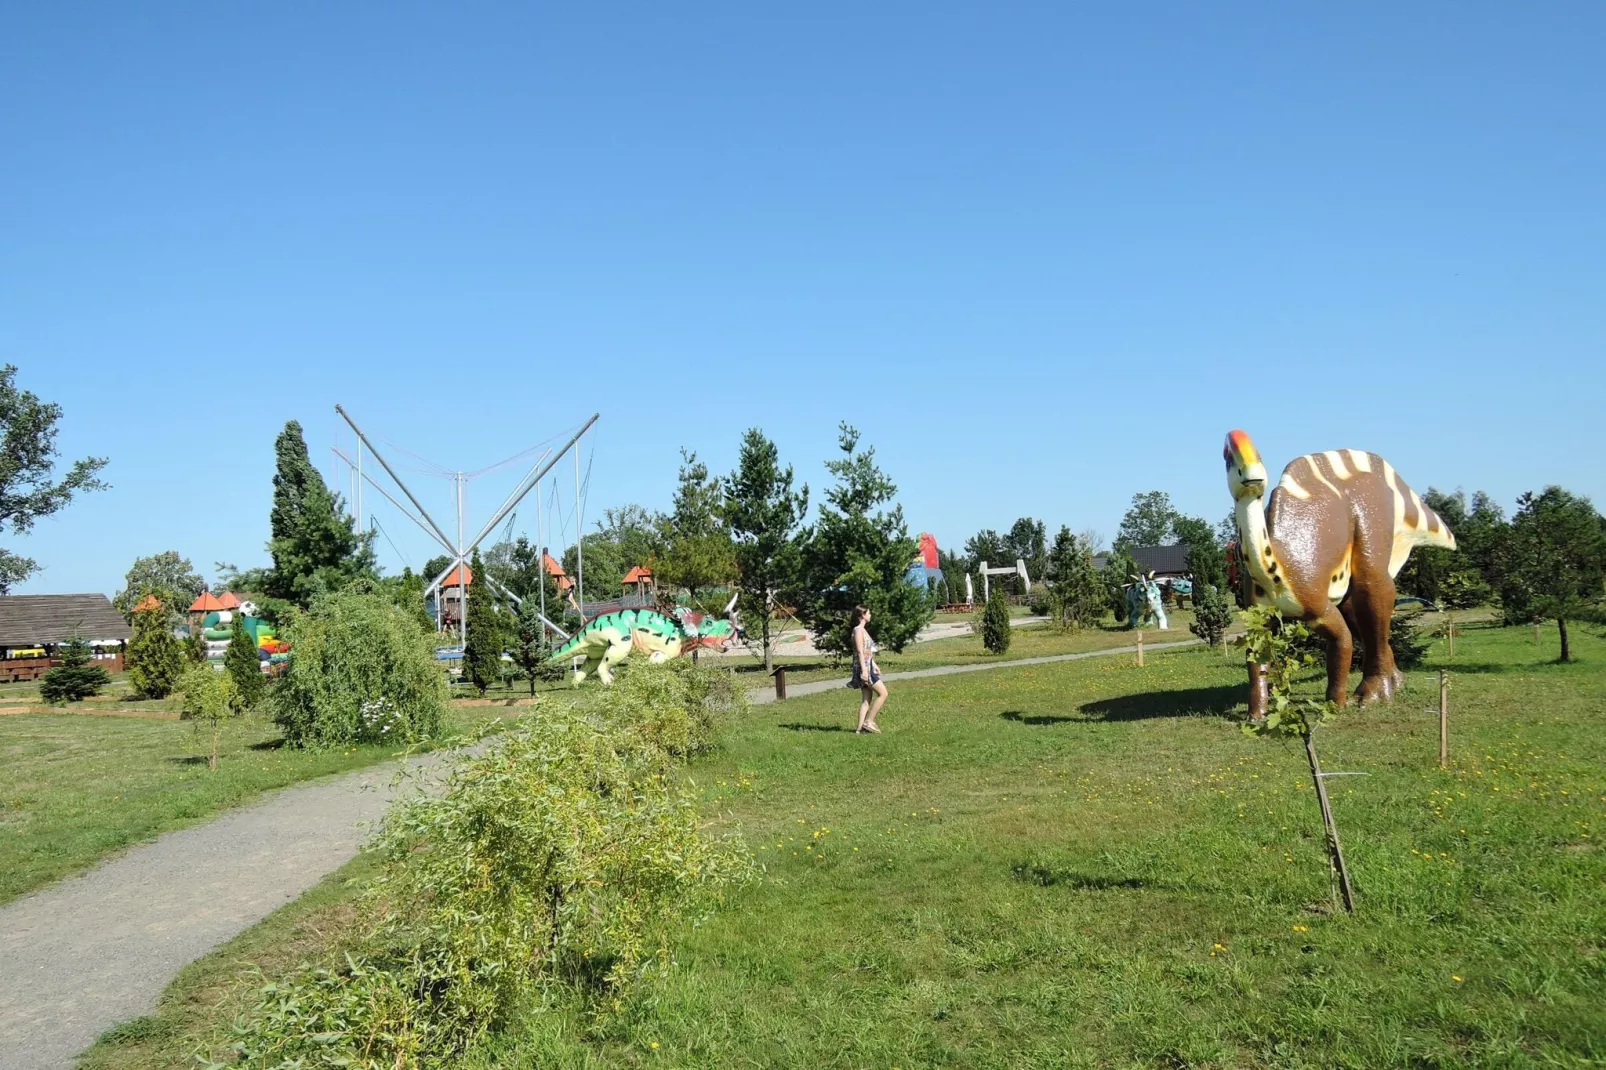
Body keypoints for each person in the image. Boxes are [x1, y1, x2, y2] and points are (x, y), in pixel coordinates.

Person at [847, 605, 886, 734]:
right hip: (863, 668)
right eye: (868, 613)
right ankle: (869, 721)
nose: (870, 615)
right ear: (862, 615)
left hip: (868, 666)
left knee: (866, 699)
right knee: (883, 693)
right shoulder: (858, 630)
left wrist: (873, 664)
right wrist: (864, 670)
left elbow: (867, 651)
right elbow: (859, 651)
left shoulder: (863, 630)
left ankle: (860, 730)